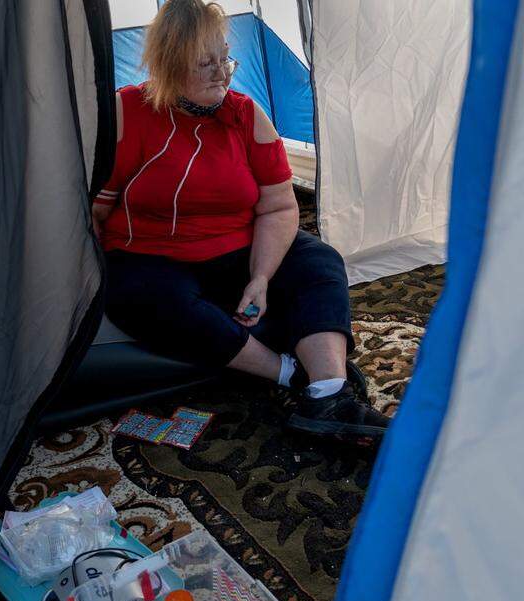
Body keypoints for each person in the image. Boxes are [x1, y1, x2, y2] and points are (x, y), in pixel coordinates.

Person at [92, 0, 388, 442]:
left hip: (239, 248)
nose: (223, 72)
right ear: (170, 64)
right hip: (150, 255)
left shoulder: (246, 115)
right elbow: (97, 209)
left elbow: (279, 207)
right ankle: (290, 375)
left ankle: (330, 395)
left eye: (225, 58)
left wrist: (261, 276)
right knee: (144, 297)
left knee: (319, 261)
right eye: (205, 63)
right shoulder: (128, 111)